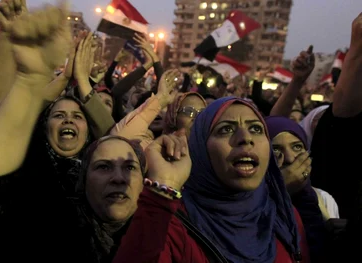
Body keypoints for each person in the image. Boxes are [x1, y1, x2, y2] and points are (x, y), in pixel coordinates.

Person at [113, 97, 310, 262]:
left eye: (257, 129)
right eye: (226, 129)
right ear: (200, 149)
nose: (245, 138)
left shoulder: (284, 215)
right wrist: (163, 187)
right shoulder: (171, 223)